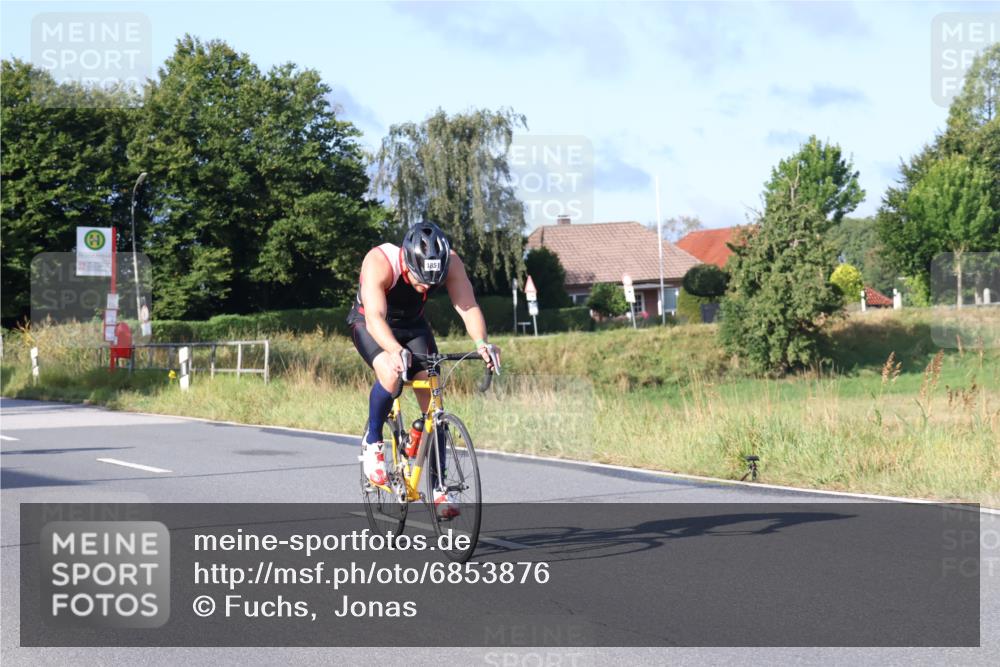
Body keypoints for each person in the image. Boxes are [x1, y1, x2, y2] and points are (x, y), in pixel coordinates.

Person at [348, 222, 499, 517]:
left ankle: (438, 487)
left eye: (433, 282)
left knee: (434, 403)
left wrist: (482, 343)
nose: (427, 287)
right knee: (391, 376)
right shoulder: (380, 261)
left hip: (414, 326)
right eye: (421, 280)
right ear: (407, 260)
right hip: (370, 323)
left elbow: (467, 305)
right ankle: (374, 442)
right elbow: (376, 318)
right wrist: (393, 351)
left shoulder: (450, 260)